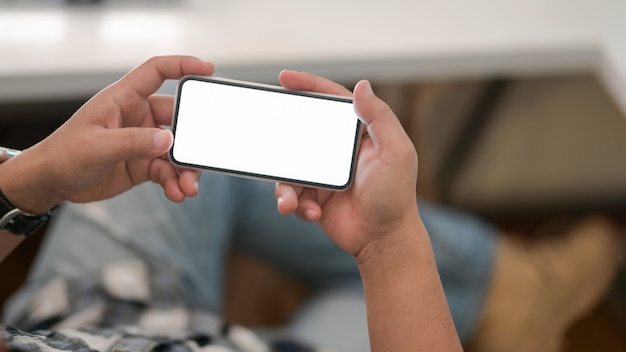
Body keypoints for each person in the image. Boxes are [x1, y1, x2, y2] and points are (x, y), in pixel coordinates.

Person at [2, 56, 623, 352]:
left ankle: (503, 287)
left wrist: (26, 184)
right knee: (408, 270)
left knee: (178, 119)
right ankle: (519, 292)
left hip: (72, 326)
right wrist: (391, 248)